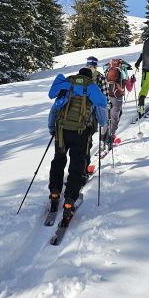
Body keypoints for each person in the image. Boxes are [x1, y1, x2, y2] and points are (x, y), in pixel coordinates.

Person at [47, 65, 107, 222]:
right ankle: (69, 200)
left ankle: (54, 193)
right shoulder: (92, 88)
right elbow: (101, 111)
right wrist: (102, 123)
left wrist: (52, 128)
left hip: (61, 131)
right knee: (76, 165)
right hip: (81, 133)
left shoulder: (68, 84)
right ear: (90, 77)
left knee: (58, 160)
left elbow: (54, 109)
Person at [101, 57, 134, 151]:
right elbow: (129, 88)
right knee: (114, 120)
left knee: (107, 119)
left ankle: (102, 140)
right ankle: (110, 141)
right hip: (117, 98)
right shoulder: (123, 72)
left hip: (107, 97)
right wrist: (132, 81)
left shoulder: (107, 70)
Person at [83, 56, 109, 175]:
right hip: (93, 113)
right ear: (96, 65)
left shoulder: (81, 76)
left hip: (77, 113)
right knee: (88, 140)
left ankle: (80, 167)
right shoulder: (100, 77)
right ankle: (84, 168)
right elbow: (104, 96)